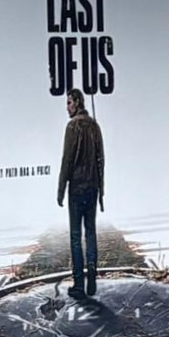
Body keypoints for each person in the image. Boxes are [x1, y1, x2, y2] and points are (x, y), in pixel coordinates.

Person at [56, 88, 105, 299]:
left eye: (69, 103)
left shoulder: (72, 126)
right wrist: (101, 190)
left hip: (76, 188)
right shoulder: (95, 126)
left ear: (77, 102)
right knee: (91, 232)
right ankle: (92, 272)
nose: (67, 107)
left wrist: (60, 189)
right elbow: (101, 160)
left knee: (76, 236)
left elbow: (67, 160)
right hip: (92, 187)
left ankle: (78, 283)